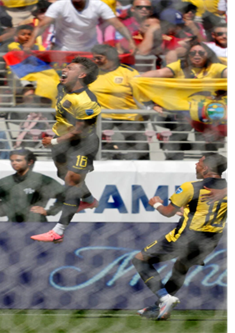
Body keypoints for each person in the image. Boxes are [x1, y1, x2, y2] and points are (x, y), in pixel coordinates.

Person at [133, 153, 228, 320]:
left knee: (140, 260)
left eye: (199, 162)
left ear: (206, 168)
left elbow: (168, 213)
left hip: (185, 238)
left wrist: (156, 203)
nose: (195, 165)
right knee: (181, 267)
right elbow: (205, 211)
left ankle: (164, 298)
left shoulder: (191, 187)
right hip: (210, 241)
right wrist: (186, 213)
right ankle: (161, 309)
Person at [30, 57, 101, 243]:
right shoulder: (62, 88)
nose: (64, 69)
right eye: (65, 66)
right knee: (65, 177)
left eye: (70, 67)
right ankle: (88, 200)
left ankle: (58, 231)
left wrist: (53, 141)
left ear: (82, 74)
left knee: (71, 183)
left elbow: (79, 131)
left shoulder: (88, 101)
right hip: (61, 142)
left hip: (82, 144)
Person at [141, 42, 228, 160]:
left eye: (201, 53)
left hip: (204, 112)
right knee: (177, 139)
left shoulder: (214, 67)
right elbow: (159, 73)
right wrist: (139, 78)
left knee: (207, 143)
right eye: (193, 53)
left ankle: (209, 167)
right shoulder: (180, 66)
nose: (197, 55)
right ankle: (174, 164)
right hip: (183, 111)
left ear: (208, 55)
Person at [89, 44, 149, 160]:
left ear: (111, 57)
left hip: (128, 117)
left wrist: (147, 110)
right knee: (98, 150)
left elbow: (143, 94)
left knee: (140, 151)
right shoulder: (91, 73)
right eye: (94, 58)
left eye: (99, 58)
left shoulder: (129, 73)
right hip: (102, 117)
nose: (95, 61)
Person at [0, 148, 65, 222]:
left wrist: (49, 211)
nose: (14, 163)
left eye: (18, 160)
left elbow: (64, 195)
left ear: (30, 162)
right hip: (13, 225)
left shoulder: (42, 180)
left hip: (37, 223)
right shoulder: (5, 182)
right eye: (12, 161)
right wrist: (1, 211)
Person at [24, 0, 136, 52]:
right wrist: (30, 42)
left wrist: (130, 40)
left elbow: (118, 25)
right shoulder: (59, 5)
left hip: (89, 49)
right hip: (62, 49)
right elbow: (42, 25)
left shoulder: (98, 5)